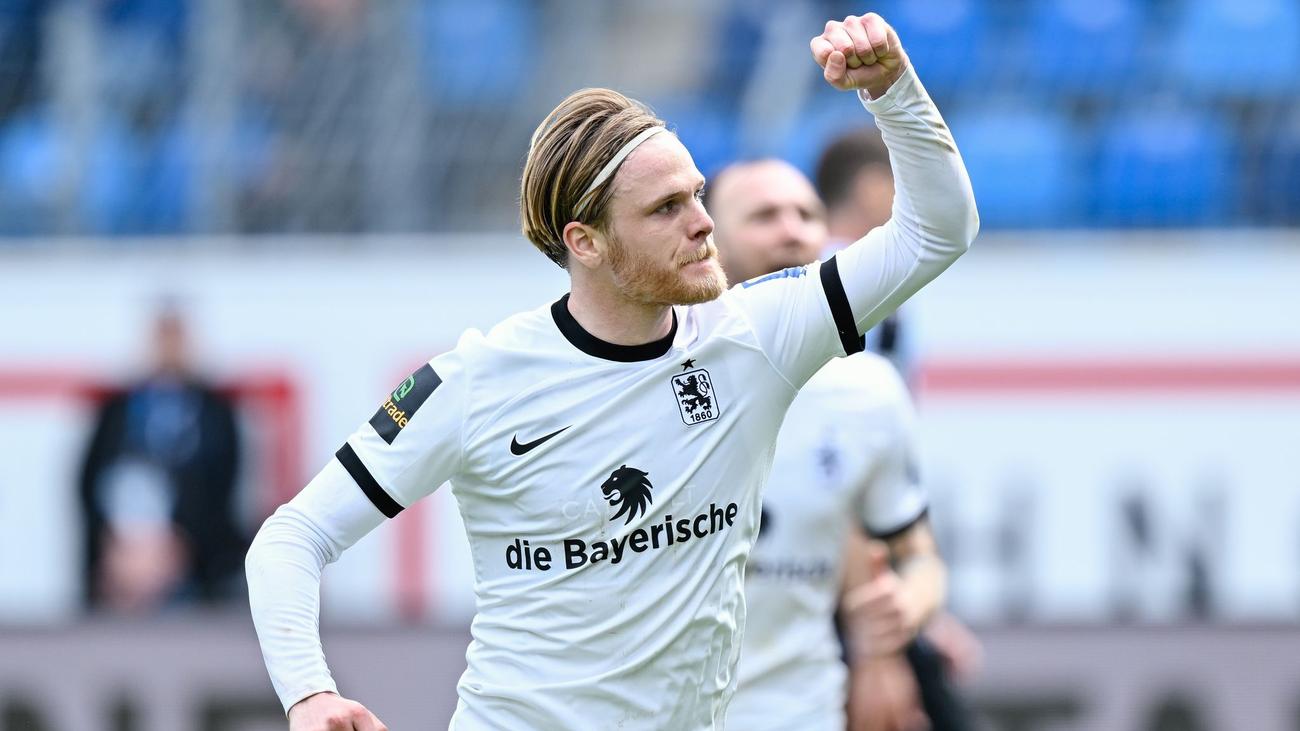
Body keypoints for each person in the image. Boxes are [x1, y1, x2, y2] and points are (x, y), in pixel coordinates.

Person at [245, 12, 977, 731]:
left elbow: (938, 232)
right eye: (666, 208)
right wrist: (310, 693)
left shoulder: (756, 337)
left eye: (697, 194)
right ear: (585, 241)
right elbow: (292, 537)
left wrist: (893, 91)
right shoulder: (477, 381)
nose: (702, 222)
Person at [709, 158, 945, 731]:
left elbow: (918, 557)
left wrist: (904, 611)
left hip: (800, 710)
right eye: (764, 216)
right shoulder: (657, 376)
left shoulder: (869, 390)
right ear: (707, 239)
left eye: (806, 214)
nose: (792, 230)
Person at [816, 128, 983, 731]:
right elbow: (852, 460)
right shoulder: (861, 289)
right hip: (850, 567)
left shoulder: (804, 285)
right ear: (870, 186)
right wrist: (889, 635)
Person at [78, 303, 245, 612]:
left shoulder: (216, 412)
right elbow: (88, 481)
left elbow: (226, 487)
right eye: (162, 338)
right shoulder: (117, 409)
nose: (169, 349)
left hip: (195, 564)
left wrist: (181, 546)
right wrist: (117, 545)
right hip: (120, 561)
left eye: (176, 338)